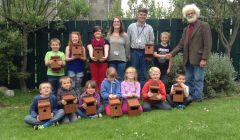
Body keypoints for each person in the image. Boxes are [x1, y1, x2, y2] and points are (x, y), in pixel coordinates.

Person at [166, 4, 212, 102]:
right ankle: (190, 97)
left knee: (198, 79)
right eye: (188, 14)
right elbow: (181, 44)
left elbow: (208, 44)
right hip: (187, 59)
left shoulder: (204, 25)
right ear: (186, 16)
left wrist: (204, 58)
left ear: (196, 13)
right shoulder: (186, 29)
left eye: (192, 13)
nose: (190, 15)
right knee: (189, 79)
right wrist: (171, 54)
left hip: (199, 59)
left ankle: (198, 98)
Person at [127, 8, 154, 87]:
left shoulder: (149, 28)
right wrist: (128, 53)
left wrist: (149, 54)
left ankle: (142, 91)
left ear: (146, 16)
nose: (142, 16)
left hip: (145, 52)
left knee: (144, 72)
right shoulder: (131, 26)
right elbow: (128, 41)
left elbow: (151, 41)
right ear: (137, 15)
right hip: (134, 51)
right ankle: (132, 89)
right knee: (133, 71)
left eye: (144, 15)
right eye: (141, 14)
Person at [106, 16, 130, 81]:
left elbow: (127, 47)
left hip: (122, 60)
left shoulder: (125, 35)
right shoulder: (109, 35)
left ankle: (119, 91)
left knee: (120, 77)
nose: (116, 23)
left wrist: (126, 57)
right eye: (115, 22)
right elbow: (106, 47)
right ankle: (112, 91)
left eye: (118, 22)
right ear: (113, 24)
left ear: (120, 23)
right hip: (111, 59)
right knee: (112, 77)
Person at [87, 26, 110, 91]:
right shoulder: (90, 41)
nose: (98, 32)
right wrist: (92, 56)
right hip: (93, 62)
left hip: (103, 62)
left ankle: (101, 92)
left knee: (102, 78)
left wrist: (105, 57)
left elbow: (106, 49)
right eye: (96, 31)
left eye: (99, 31)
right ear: (94, 33)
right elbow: (90, 49)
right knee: (94, 78)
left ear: (102, 33)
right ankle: (94, 93)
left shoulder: (105, 41)